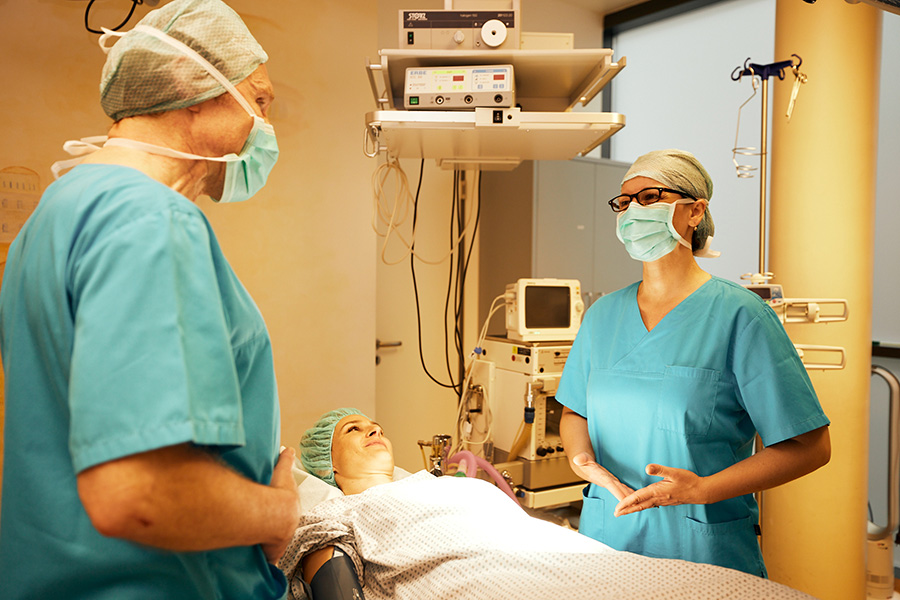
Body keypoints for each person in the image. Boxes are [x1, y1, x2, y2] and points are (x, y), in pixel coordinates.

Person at [0, 1, 299, 598]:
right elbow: (139, 495)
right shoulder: (151, 221)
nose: (265, 128)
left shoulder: (56, 214)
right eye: (259, 102)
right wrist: (279, 513)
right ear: (194, 91)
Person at [556, 149, 831, 578]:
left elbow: (810, 447)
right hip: (607, 539)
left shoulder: (740, 316)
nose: (631, 211)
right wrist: (582, 460)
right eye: (624, 202)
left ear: (695, 211)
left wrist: (703, 490)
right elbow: (575, 411)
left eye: (649, 197)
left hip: (700, 546)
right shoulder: (602, 315)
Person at [277, 408, 817, 600]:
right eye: (353, 428)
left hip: (552, 552)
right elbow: (332, 582)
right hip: (483, 577)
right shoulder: (335, 513)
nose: (373, 428)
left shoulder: (440, 483)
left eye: (374, 423)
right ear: (327, 462)